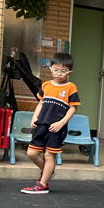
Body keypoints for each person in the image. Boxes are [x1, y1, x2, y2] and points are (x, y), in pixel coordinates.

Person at [21, 52, 80, 194]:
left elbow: (73, 108)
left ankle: (42, 184)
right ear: (51, 68)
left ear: (69, 72)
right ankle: (48, 171)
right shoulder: (46, 85)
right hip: (41, 125)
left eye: (63, 71)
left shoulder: (70, 87)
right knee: (31, 153)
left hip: (56, 128)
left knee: (49, 155)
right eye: (56, 70)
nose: (59, 73)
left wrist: (61, 123)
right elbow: (41, 103)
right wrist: (34, 117)